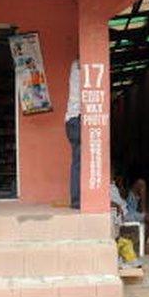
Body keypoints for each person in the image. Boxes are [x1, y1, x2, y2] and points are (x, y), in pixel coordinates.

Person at [111, 178, 149, 252]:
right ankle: (143, 244)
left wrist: (120, 186)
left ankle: (143, 212)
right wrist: (116, 205)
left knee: (141, 182)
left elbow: (122, 196)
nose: (112, 175)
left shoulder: (113, 183)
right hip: (124, 212)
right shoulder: (101, 185)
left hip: (127, 204)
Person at [65, 60, 81, 209]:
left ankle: (77, 200)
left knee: (77, 162)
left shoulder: (74, 66)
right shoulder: (80, 67)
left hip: (71, 120)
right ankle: (77, 201)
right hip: (77, 119)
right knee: (79, 162)